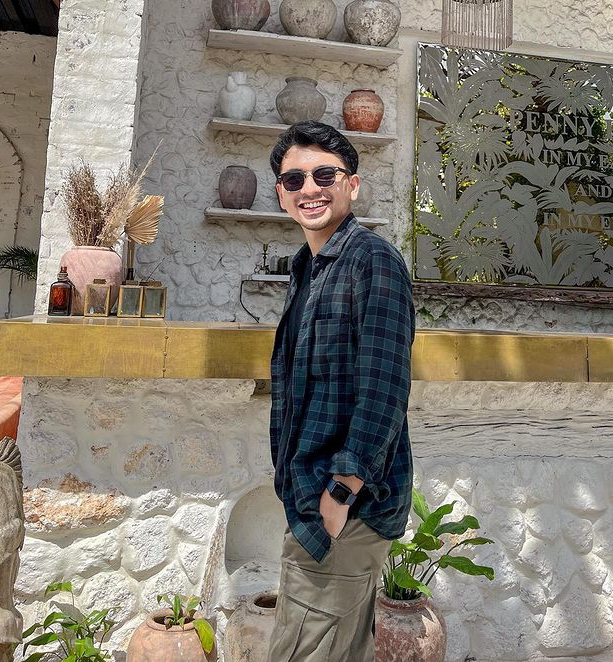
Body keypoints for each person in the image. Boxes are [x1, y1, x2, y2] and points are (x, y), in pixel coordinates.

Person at [267, 121, 415, 662]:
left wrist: (342, 491)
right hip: (315, 496)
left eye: (324, 175)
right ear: (281, 195)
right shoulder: (308, 266)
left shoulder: (372, 260)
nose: (310, 188)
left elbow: (385, 387)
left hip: (347, 504)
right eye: (295, 179)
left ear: (352, 184)